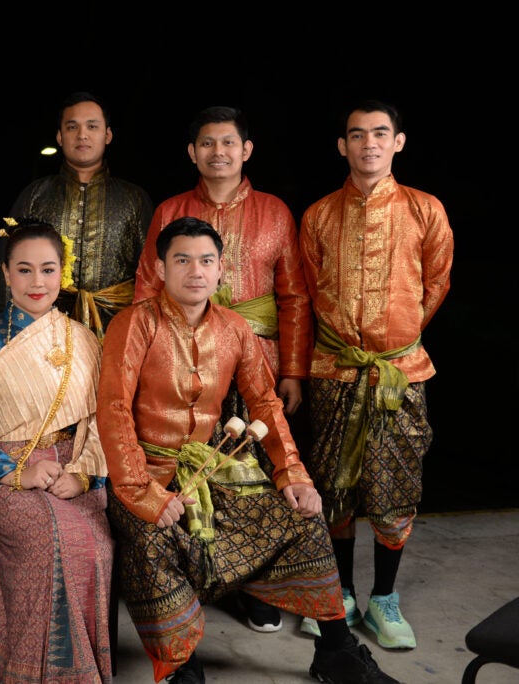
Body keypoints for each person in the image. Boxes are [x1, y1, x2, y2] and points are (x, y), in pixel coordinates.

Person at [97, 217, 399, 683]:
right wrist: (142, 493)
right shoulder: (134, 323)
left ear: (221, 270)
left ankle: (336, 650)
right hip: (143, 473)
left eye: (206, 260)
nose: (195, 271)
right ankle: (182, 666)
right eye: (182, 260)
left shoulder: (234, 327)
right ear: (160, 268)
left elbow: (265, 403)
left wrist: (292, 473)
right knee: (152, 539)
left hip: (213, 468)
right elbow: (113, 408)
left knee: (303, 518)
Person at [132, 105, 312, 633]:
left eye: (228, 142)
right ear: (192, 152)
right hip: (181, 360)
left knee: (251, 474)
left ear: (246, 150)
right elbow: (146, 288)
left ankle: (254, 585)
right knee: (188, 466)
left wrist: (293, 370)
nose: (218, 152)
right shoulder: (170, 210)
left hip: (258, 358)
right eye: (207, 143)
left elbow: (293, 297)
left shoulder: (275, 212)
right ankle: (193, 574)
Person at [296, 99, 454, 649]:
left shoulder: (425, 209)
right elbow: (311, 289)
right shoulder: (318, 215)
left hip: (399, 374)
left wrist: (394, 339)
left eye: (380, 133)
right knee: (333, 486)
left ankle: (384, 600)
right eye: (358, 134)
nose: (369, 144)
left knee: (395, 488)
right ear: (343, 145)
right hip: (334, 370)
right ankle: (339, 594)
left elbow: (436, 284)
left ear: (398, 142)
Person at [0, 219, 114, 682]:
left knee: (95, 545)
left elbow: (102, 420)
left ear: (63, 273)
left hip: (70, 466)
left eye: (48, 269)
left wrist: (83, 475)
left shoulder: (84, 339)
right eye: (24, 270)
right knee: (48, 540)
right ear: (5, 273)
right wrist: (16, 472)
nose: (37, 282)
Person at [0, 90, 154, 340]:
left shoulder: (134, 199)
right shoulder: (35, 195)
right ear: (60, 136)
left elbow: (151, 274)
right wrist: (7, 333)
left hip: (119, 332)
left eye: (92, 126)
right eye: (72, 127)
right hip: (42, 331)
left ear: (108, 135)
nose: (82, 135)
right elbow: (7, 265)